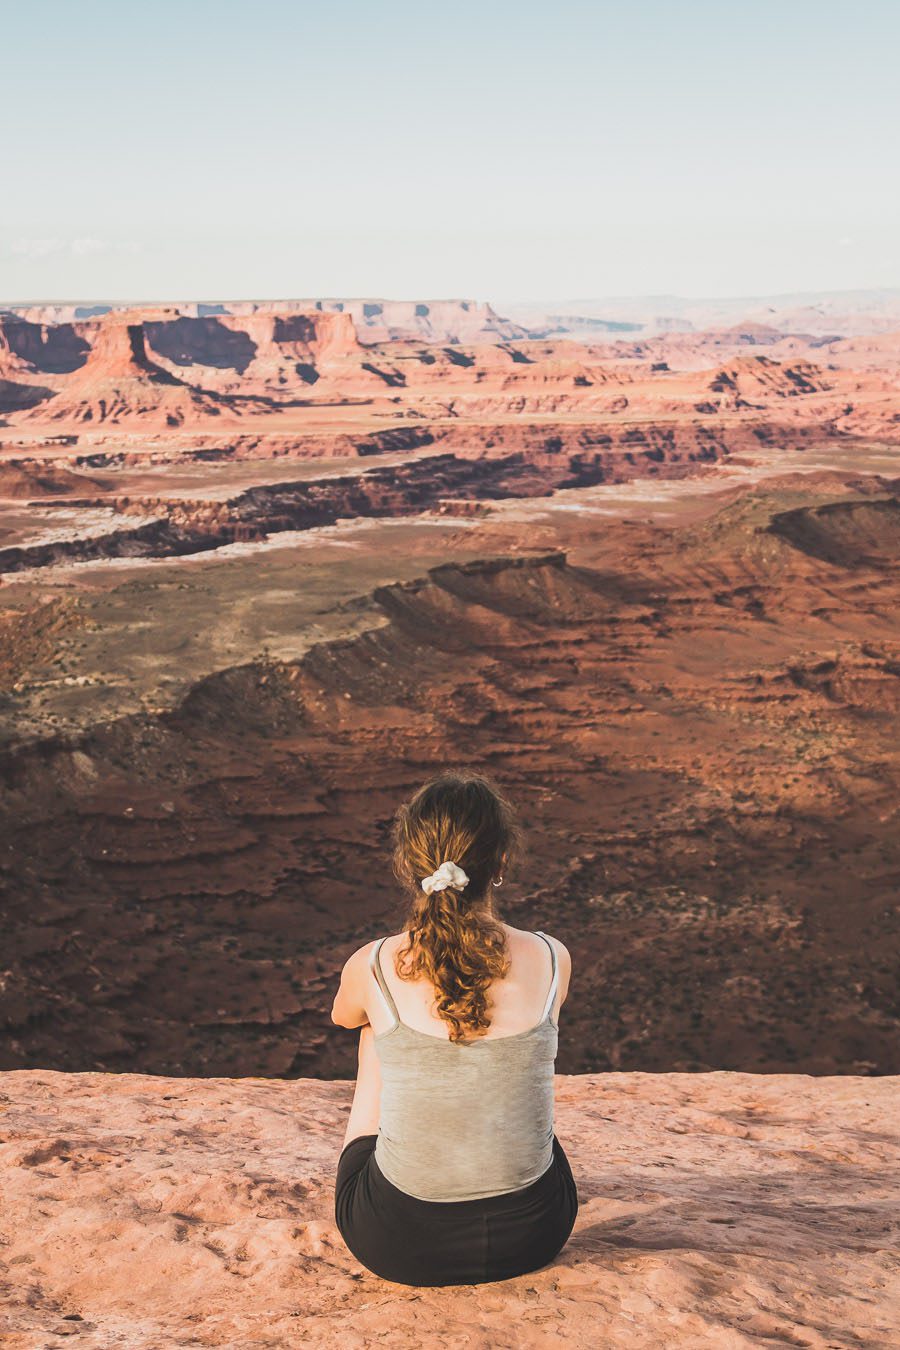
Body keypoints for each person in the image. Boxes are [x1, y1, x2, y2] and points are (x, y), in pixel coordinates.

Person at [331, 769, 578, 1286]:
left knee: (376, 1029)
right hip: (535, 1233)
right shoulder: (554, 957)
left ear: (408, 865)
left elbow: (342, 1016)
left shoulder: (374, 964)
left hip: (397, 1241)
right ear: (502, 862)